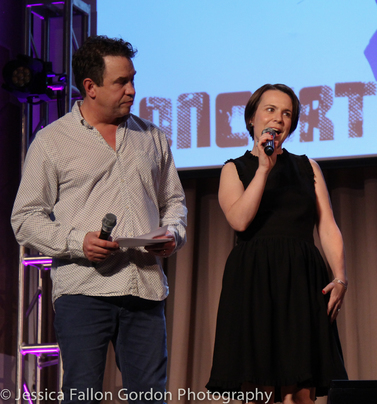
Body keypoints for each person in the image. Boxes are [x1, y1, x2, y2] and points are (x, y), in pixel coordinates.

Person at [11, 36, 187, 403]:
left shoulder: (152, 137)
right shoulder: (52, 142)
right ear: (90, 87)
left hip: (144, 288)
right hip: (85, 291)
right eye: (121, 82)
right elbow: (25, 218)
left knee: (150, 397)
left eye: (133, 79)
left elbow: (174, 202)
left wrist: (173, 233)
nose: (132, 90)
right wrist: (79, 242)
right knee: (83, 395)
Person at [206, 84, 348, 404]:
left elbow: (327, 225)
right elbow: (240, 220)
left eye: (287, 113)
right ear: (252, 119)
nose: (279, 119)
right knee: (259, 390)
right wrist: (262, 170)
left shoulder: (307, 167)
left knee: (301, 392)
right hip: (254, 281)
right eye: (270, 110)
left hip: (301, 281)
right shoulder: (234, 168)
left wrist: (340, 276)